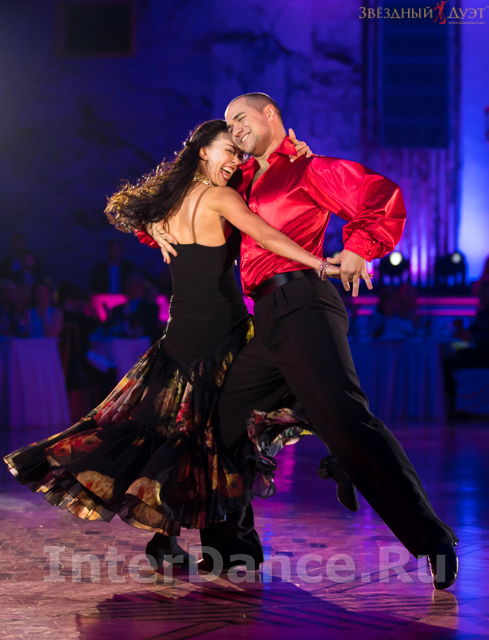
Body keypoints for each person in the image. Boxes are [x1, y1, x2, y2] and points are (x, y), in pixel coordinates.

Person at [4, 120, 343, 574]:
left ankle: (171, 541)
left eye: (239, 154)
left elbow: (121, 209)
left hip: (179, 334)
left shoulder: (173, 198)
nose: (236, 160)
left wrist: (152, 225)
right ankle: (248, 533)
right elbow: (266, 236)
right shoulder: (221, 198)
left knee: (176, 438)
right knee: (222, 435)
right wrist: (319, 265)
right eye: (228, 150)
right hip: (218, 336)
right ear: (203, 151)